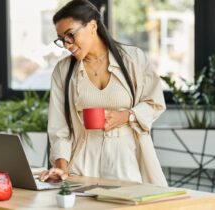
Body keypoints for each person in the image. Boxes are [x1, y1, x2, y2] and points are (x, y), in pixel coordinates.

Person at [40, 0, 167, 186]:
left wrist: (125, 116)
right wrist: (61, 166)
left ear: (92, 26)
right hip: (83, 159)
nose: (67, 45)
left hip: (125, 157)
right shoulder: (63, 70)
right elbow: (59, 128)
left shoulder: (133, 59)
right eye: (61, 39)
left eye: (70, 35)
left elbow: (155, 103)